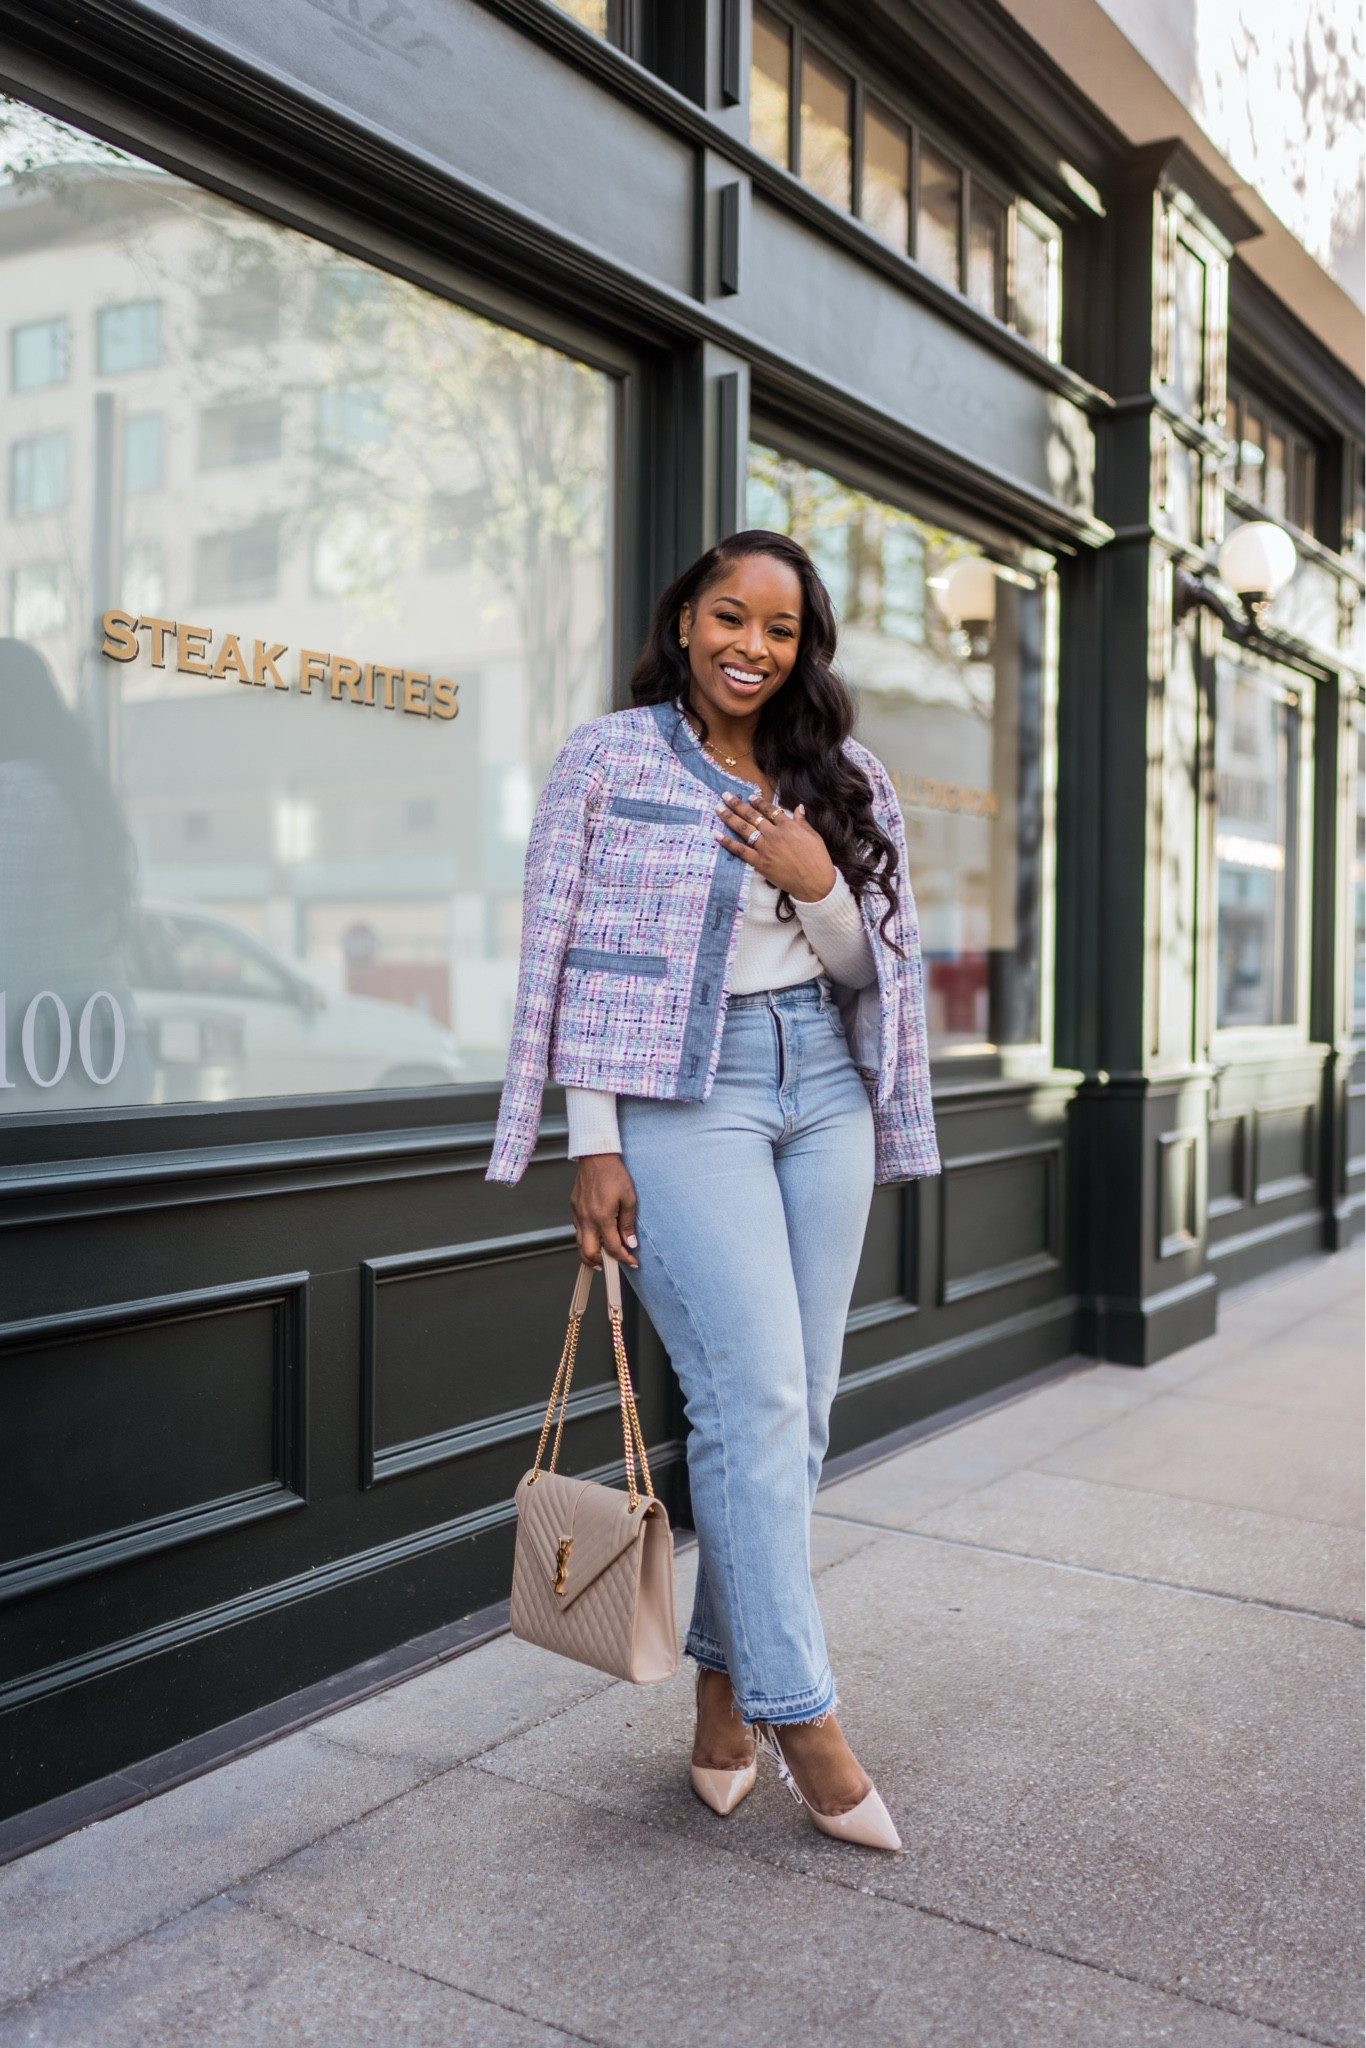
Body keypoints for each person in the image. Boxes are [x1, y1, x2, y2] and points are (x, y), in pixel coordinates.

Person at [489, 531, 940, 1851]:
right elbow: (558, 950)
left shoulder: (843, 776)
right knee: (754, 1396)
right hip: (686, 1096)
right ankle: (807, 1718)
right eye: (728, 618)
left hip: (826, 1090)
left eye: (781, 629)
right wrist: (594, 1136)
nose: (753, 646)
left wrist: (822, 890)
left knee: (792, 1419)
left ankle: (723, 1688)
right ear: (682, 619)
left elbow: (877, 976)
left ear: (807, 647)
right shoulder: (609, 755)